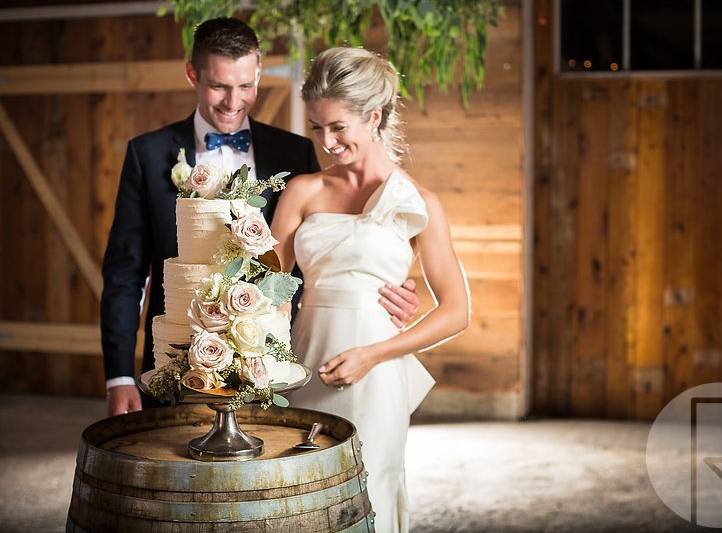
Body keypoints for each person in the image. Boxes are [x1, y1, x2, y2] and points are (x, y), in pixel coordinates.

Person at [101, 18, 420, 417]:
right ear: (192, 74)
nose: (233, 102)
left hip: (276, 363)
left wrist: (384, 287)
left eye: (246, 86)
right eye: (218, 86)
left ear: (258, 73)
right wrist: (119, 376)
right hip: (177, 365)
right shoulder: (147, 156)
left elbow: (323, 249)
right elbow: (124, 272)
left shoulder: (295, 152)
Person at [270, 47, 470, 533]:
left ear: (374, 116)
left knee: (368, 493)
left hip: (376, 378)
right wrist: (260, 363)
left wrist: (376, 354)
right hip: (304, 364)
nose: (327, 141)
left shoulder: (419, 203)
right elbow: (267, 291)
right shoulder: (303, 190)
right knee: (299, 499)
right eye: (316, 127)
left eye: (338, 126)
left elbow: (457, 311)